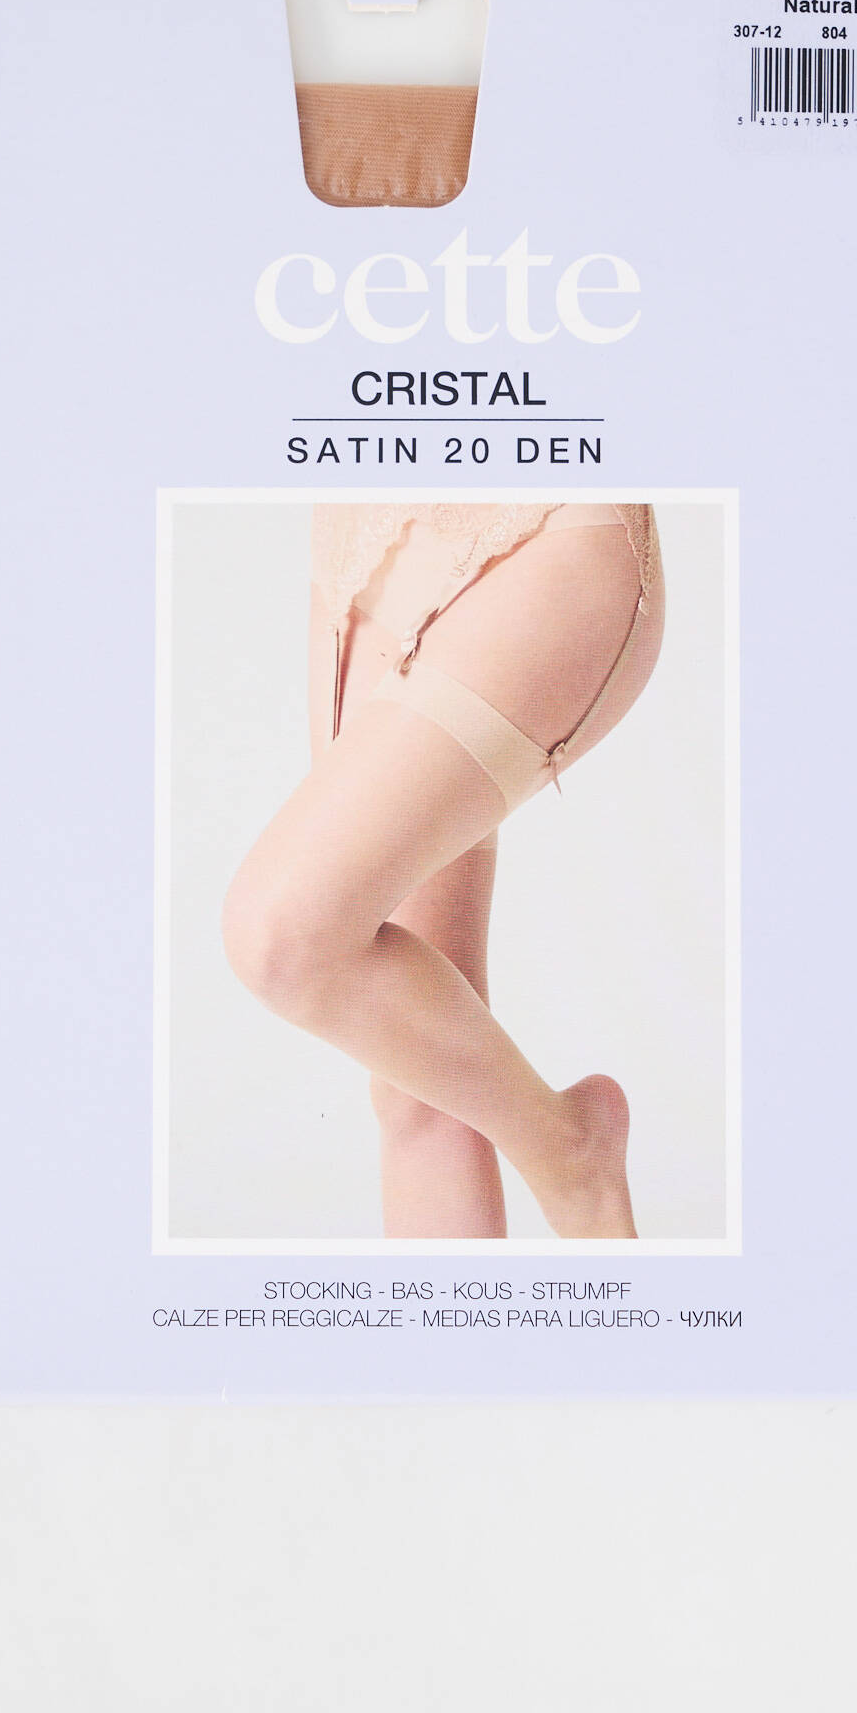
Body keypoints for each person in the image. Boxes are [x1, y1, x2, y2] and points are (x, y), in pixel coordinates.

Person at [222, 501, 664, 1238]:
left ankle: (569, 1151)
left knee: (284, 938)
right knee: (422, 1092)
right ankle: (457, 1317)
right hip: (362, 546)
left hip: (544, 527)